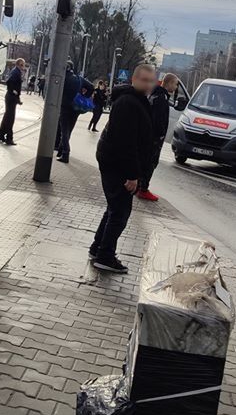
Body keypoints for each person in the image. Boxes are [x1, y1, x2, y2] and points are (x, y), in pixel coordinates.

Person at [90, 64, 156, 273]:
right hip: (117, 165)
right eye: (144, 80)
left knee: (114, 208)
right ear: (134, 80)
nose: (147, 84)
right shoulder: (129, 103)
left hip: (113, 161)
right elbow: (126, 143)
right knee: (120, 212)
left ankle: (98, 247)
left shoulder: (135, 100)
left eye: (150, 80)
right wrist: (132, 175)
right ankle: (105, 255)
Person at [137, 73, 179, 202]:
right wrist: (159, 135)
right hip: (154, 138)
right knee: (150, 162)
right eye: (176, 84)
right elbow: (158, 119)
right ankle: (143, 189)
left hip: (149, 136)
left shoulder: (155, 94)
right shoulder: (161, 98)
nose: (176, 87)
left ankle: (140, 185)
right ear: (170, 83)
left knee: (146, 161)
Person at [56, 62, 92, 164]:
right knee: (69, 129)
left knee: (64, 130)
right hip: (76, 107)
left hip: (65, 106)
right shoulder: (79, 78)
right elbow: (91, 87)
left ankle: (65, 153)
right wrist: (83, 96)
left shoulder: (64, 78)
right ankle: (61, 150)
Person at [0, 58, 25, 146]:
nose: (23, 67)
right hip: (11, 97)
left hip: (12, 97)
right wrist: (13, 91)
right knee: (10, 118)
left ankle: (0, 135)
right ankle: (9, 138)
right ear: (18, 65)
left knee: (7, 117)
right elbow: (9, 82)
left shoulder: (16, 71)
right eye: (22, 65)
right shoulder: (16, 72)